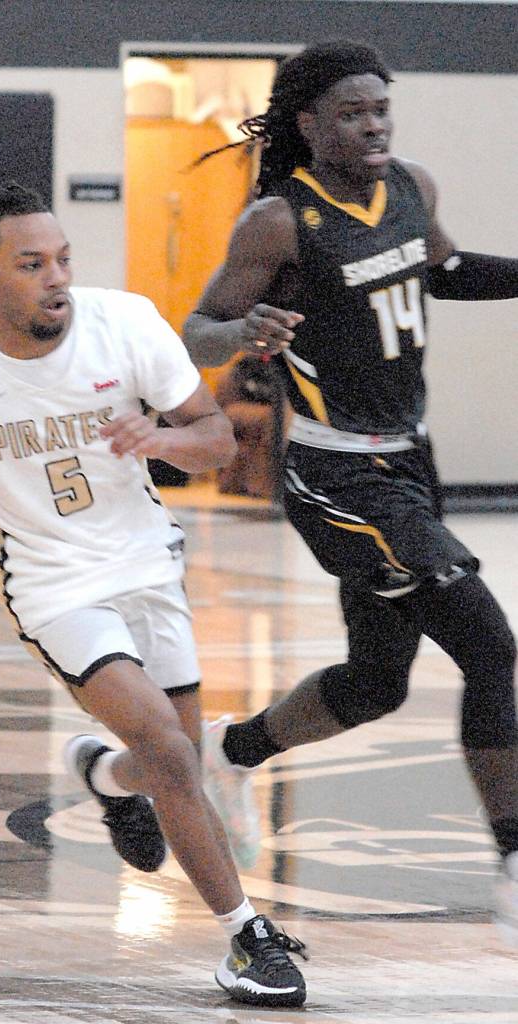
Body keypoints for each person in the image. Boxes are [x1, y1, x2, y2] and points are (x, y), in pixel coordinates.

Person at [0, 181, 308, 1006]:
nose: (55, 277)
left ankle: (104, 778)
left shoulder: (124, 323)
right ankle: (245, 938)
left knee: (172, 761)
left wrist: (161, 436)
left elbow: (217, 436)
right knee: (167, 744)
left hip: (146, 563)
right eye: (31, 264)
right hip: (49, 582)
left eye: (62, 259)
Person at [182, 40, 518, 942]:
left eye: (380, 111)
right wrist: (242, 329)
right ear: (308, 124)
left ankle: (231, 752)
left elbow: (443, 274)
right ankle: (514, 859)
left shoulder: (411, 186)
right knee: (491, 646)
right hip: (335, 473)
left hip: (411, 461)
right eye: (351, 114)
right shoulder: (278, 221)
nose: (373, 126)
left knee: (377, 687)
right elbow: (196, 332)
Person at [213, 352, 285, 501]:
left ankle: (260, 485)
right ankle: (251, 485)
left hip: (275, 414)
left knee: (270, 423)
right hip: (247, 409)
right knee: (267, 421)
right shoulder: (246, 364)